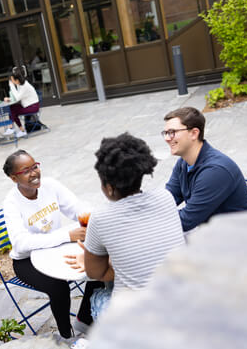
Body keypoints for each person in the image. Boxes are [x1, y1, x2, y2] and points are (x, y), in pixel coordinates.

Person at [65, 133, 185, 320]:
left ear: (110, 187)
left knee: (97, 297)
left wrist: (91, 259)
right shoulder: (165, 197)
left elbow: (99, 273)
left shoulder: (101, 217)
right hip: (182, 303)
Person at [2, 150, 102, 338]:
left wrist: (90, 216)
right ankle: (66, 335)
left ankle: (84, 320)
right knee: (59, 287)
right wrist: (66, 235)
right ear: (13, 178)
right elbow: (21, 243)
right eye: (26, 171)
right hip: (27, 261)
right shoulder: (11, 203)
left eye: (35, 166)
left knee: (97, 267)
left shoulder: (50, 186)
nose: (34, 173)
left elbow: (77, 208)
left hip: (56, 250)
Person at [163, 107, 247, 232]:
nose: (167, 138)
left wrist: (151, 222)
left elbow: (186, 221)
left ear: (194, 133)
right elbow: (168, 198)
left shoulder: (215, 171)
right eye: (166, 133)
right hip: (213, 231)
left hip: (237, 239)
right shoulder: (183, 162)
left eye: (172, 132)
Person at [4, 67, 39, 138]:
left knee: (13, 110)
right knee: (12, 108)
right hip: (28, 105)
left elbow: (17, 98)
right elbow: (19, 97)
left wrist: (11, 86)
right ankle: (18, 129)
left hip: (33, 107)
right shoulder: (22, 84)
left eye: (12, 80)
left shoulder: (24, 86)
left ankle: (14, 128)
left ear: (16, 80)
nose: (12, 81)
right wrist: (10, 99)